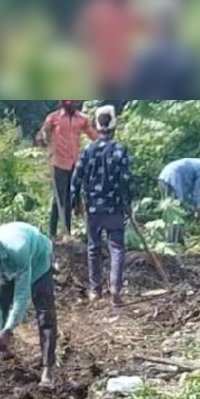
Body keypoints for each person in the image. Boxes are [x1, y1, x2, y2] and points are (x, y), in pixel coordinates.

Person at [0, 223, 58, 387]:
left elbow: (22, 296)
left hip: (37, 260)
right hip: (5, 268)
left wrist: (8, 330)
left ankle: (47, 371)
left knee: (45, 314)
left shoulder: (18, 249)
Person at [72, 104, 132, 305]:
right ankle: (115, 288)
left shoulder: (88, 150)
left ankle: (95, 290)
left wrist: (75, 203)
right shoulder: (119, 150)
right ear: (114, 127)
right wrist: (127, 203)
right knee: (116, 247)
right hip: (114, 207)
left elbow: (76, 178)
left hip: (93, 208)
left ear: (97, 127)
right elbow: (125, 179)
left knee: (93, 248)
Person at [75, 0, 152, 102]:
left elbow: (82, 37)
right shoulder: (97, 10)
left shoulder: (97, 10)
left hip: (120, 72)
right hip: (106, 71)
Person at [36, 101, 97, 242]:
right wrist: (43, 138)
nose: (73, 103)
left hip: (74, 164)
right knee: (59, 198)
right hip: (59, 163)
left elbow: (92, 135)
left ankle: (66, 233)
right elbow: (42, 133)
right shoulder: (53, 118)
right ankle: (54, 232)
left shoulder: (81, 119)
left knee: (70, 198)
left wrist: (105, 143)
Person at [157, 156, 200, 244]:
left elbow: (189, 194)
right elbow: (196, 192)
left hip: (163, 178)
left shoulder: (194, 164)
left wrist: (198, 206)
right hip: (172, 180)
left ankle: (174, 238)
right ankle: (172, 241)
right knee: (175, 212)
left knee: (170, 211)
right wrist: (199, 208)